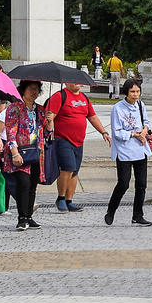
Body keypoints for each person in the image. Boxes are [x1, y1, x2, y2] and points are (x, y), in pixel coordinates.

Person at [42, 79, 108, 212]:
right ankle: (60, 198)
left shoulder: (84, 98)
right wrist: (49, 122)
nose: (75, 83)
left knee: (75, 171)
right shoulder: (60, 96)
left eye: (77, 81)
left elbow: (92, 117)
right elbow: (50, 116)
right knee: (67, 168)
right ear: (66, 83)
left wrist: (103, 132)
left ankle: (69, 200)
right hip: (63, 139)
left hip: (79, 140)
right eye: (71, 81)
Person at [105, 78, 152, 227]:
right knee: (123, 184)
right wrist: (133, 134)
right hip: (124, 150)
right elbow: (117, 132)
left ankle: (137, 215)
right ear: (126, 92)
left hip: (140, 149)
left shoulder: (140, 105)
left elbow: (146, 122)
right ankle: (111, 210)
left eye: (137, 91)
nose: (135, 94)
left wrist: (144, 131)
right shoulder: (118, 108)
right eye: (132, 91)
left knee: (141, 184)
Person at [1, 79, 47, 231]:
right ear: (23, 90)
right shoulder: (14, 108)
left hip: (36, 151)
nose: (34, 92)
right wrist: (14, 153)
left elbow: (46, 133)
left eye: (36, 89)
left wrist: (50, 122)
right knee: (23, 184)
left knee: (33, 184)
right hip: (20, 152)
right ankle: (21, 218)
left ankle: (29, 217)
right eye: (30, 88)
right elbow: (10, 132)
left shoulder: (40, 109)